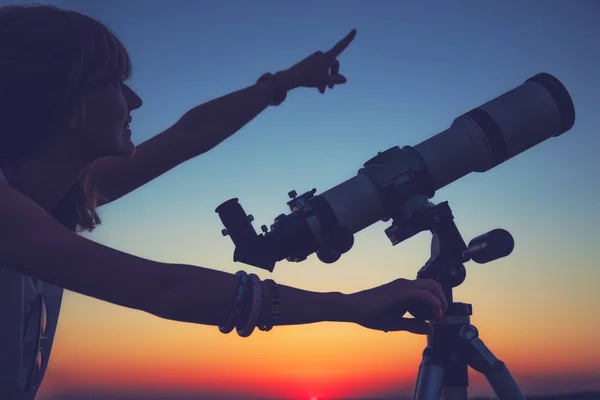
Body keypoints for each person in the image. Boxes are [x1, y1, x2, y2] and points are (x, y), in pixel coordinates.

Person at [0, 4, 448, 399]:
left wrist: (285, 82)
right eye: (117, 83)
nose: (135, 99)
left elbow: (187, 136)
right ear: (67, 96)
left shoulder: (54, 196)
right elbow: (167, 291)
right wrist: (348, 306)